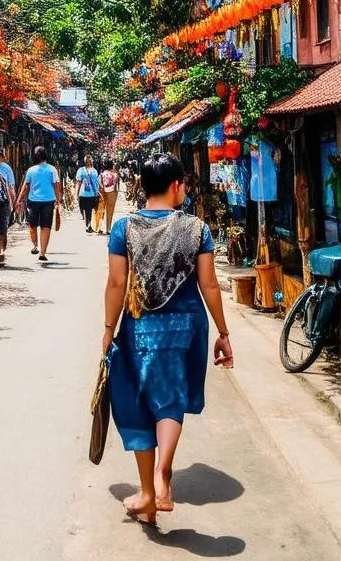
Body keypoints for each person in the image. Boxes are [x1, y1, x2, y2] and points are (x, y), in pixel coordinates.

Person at [102, 153, 233, 525]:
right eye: (184, 185)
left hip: (139, 327)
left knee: (138, 403)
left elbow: (116, 283)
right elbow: (209, 284)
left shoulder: (124, 228)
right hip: (186, 327)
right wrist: (223, 332)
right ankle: (160, 478)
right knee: (170, 399)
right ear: (176, 186)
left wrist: (108, 329)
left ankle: (150, 486)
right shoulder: (197, 228)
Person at [15, 145, 62, 262]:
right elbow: (57, 186)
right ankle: (43, 252)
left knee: (32, 225)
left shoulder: (31, 170)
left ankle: (35, 245)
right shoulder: (52, 169)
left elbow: (25, 187)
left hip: (33, 201)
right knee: (46, 226)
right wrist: (59, 199)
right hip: (49, 201)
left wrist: (19, 200)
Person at [76, 154, 100, 233]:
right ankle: (88, 225)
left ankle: (89, 225)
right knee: (86, 210)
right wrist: (76, 194)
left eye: (90, 159)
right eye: (87, 159)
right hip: (84, 194)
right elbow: (78, 183)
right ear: (85, 161)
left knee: (90, 210)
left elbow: (96, 183)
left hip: (93, 193)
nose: (89, 161)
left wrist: (97, 192)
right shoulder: (81, 170)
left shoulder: (94, 170)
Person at [97, 158, 120, 234]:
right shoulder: (114, 174)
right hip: (112, 191)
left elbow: (99, 183)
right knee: (110, 211)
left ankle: (99, 227)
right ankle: (108, 229)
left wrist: (101, 190)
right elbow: (116, 183)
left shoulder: (101, 174)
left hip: (103, 191)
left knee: (102, 210)